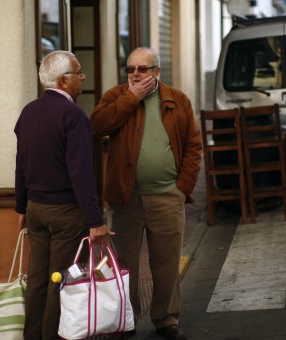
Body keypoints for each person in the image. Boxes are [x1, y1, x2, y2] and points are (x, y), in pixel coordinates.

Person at [90, 47, 202, 340]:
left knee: (165, 262)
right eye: (131, 69)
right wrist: (131, 98)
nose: (136, 74)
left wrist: (183, 188)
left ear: (157, 72)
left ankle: (165, 320)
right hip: (126, 198)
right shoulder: (116, 97)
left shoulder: (177, 99)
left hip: (167, 195)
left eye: (142, 69)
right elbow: (98, 126)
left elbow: (193, 144)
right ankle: (126, 320)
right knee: (125, 263)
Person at [14, 50, 113, 340]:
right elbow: (81, 175)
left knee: (37, 281)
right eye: (78, 73)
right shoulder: (73, 116)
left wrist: (21, 207)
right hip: (65, 213)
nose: (83, 78)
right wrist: (96, 221)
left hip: (35, 209)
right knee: (61, 281)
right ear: (63, 80)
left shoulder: (28, 112)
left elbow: (21, 163)